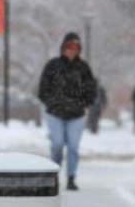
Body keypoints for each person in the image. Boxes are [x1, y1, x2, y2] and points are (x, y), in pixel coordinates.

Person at [38, 32, 97, 191]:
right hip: (55, 114)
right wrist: (52, 103)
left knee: (73, 147)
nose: (72, 50)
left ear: (79, 49)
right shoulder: (52, 66)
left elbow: (91, 89)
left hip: (76, 116)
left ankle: (71, 177)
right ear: (63, 47)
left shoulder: (83, 68)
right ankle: (54, 174)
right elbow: (43, 89)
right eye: (69, 47)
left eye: (75, 47)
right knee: (57, 144)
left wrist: (85, 104)